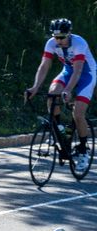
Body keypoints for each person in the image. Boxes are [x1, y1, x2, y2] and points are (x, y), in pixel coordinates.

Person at [26, 18, 95, 167]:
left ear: (69, 34)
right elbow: (44, 66)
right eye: (55, 37)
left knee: (78, 113)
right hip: (68, 72)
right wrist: (35, 87)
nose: (58, 40)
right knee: (52, 94)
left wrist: (68, 90)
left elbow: (78, 71)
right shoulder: (51, 43)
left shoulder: (79, 43)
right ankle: (59, 131)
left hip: (86, 74)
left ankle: (83, 150)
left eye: (62, 37)